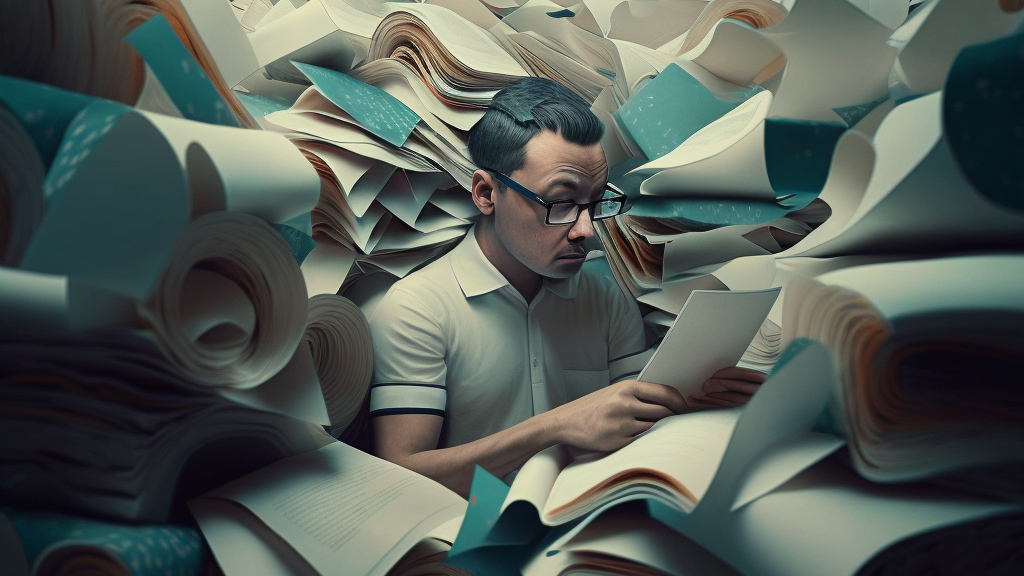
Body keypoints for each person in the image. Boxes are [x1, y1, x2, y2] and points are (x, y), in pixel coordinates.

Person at [368, 77, 766, 497]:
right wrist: (558, 425)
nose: (586, 230)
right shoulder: (416, 308)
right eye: (560, 203)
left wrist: (694, 404)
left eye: (596, 204)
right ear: (486, 193)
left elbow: (639, 427)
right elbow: (399, 475)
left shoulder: (607, 300)